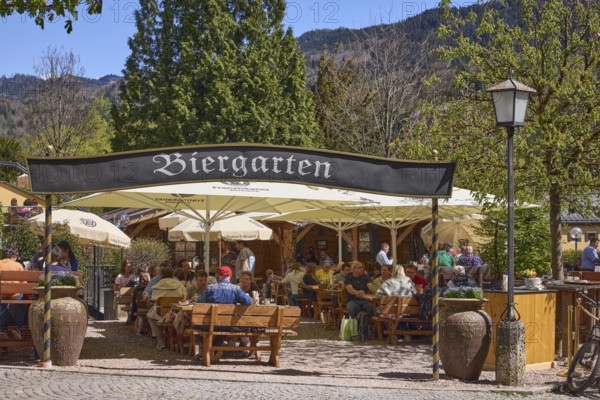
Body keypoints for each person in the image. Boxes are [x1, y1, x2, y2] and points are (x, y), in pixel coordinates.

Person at [202, 266, 253, 361]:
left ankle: (207, 349)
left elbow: (200, 303)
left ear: (218, 276)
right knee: (222, 326)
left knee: (196, 327)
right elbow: (249, 301)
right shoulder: (236, 289)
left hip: (209, 324)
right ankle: (216, 347)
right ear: (230, 276)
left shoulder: (210, 288)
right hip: (228, 325)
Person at [147, 266, 186, 350]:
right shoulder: (179, 284)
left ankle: (160, 340)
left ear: (161, 275)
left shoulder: (157, 285)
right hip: (176, 313)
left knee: (150, 317)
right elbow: (184, 296)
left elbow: (153, 298)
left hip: (161, 314)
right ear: (172, 275)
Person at [0, 244, 27, 341]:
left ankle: (2, 329)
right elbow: (24, 284)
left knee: (2, 305)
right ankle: (17, 328)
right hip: (16, 295)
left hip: (2, 294)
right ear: (14, 255)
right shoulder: (18, 265)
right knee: (22, 303)